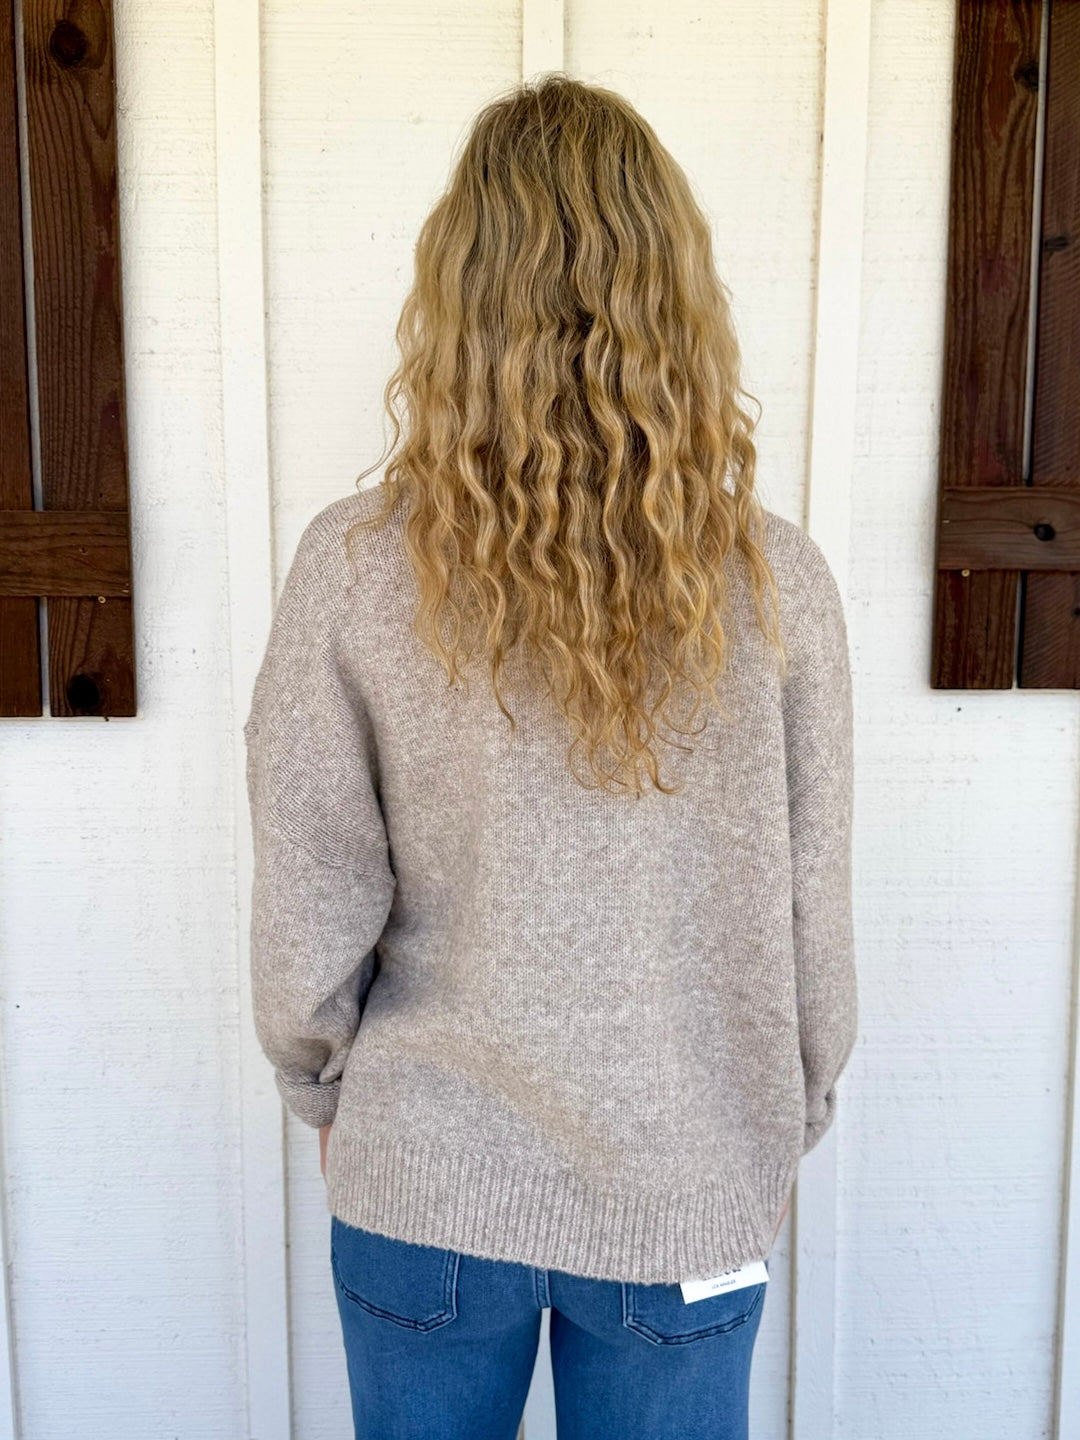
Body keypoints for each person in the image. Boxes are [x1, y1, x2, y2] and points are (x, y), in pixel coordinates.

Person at [244, 73, 856, 1440]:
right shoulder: (778, 585)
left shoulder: (353, 570)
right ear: (675, 294)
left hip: (426, 1180)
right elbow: (811, 909)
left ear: (457, 296)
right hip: (686, 1180)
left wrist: (321, 1081)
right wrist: (785, 1110)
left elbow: (310, 886)